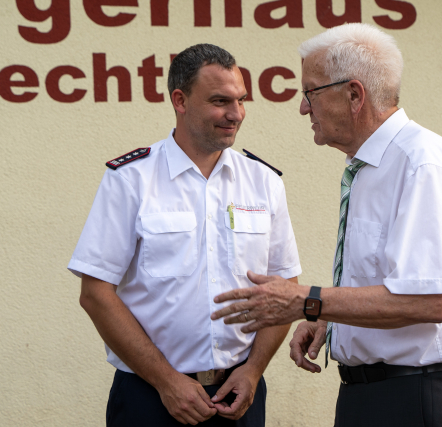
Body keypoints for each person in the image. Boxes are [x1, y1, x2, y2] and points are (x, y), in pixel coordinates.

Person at [211, 24, 442, 427]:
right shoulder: (371, 165)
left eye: (310, 92)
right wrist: (332, 319)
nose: (304, 108)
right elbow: (388, 277)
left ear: (354, 95)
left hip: (416, 398)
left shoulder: (420, 163)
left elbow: (428, 300)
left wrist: (307, 301)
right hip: (378, 395)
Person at [68, 43, 302, 427]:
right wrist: (166, 382)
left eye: (241, 101)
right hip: (150, 396)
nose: (236, 114)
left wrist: (254, 370)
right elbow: (95, 295)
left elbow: (285, 288)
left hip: (239, 393)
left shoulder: (264, 182)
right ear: (180, 99)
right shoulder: (131, 179)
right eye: (220, 101)